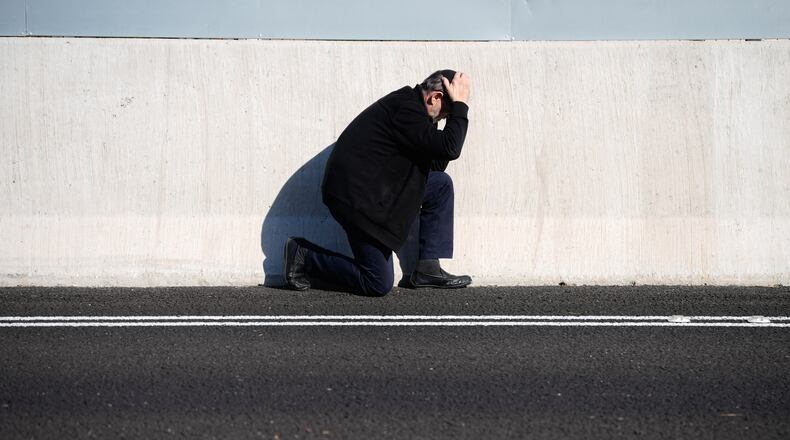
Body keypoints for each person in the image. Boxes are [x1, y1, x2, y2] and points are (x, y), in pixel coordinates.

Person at [283, 69, 472, 296]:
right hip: (357, 200)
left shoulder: (418, 113)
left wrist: (452, 112)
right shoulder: (406, 111)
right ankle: (303, 255)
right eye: (445, 114)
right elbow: (450, 148)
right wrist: (459, 106)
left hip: (379, 189)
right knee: (377, 283)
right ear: (435, 97)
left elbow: (437, 164)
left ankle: (427, 269)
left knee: (439, 185)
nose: (443, 119)